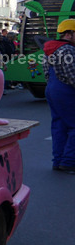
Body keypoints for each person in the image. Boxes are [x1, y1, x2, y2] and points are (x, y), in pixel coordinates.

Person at [45, 19, 75, 173]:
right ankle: (69, 162)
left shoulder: (51, 49)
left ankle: (58, 161)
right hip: (65, 90)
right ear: (69, 34)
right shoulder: (68, 50)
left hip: (52, 88)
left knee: (59, 126)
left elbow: (46, 72)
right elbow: (72, 76)